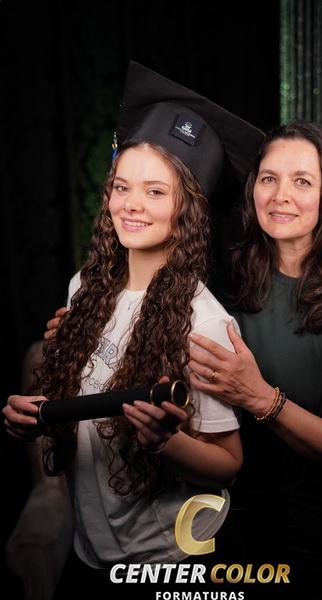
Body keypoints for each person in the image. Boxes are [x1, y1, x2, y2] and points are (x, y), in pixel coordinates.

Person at [3, 62, 264, 597]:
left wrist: (167, 442)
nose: (132, 205)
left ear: (188, 209)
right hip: (88, 555)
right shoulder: (84, 287)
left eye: (155, 192)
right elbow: (79, 407)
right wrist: (36, 417)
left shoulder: (206, 322)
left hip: (166, 562)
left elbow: (228, 466)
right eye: (122, 186)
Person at [186, 120, 322, 597]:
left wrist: (261, 398)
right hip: (232, 529)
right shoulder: (228, 283)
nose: (281, 195)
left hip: (319, 543)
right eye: (269, 178)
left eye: (302, 181)